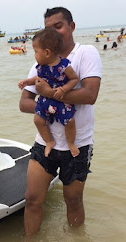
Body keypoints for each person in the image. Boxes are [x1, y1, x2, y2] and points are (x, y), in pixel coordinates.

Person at [19, 7, 101, 237]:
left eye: (59, 26)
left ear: (72, 27)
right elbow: (24, 103)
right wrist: (51, 105)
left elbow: (90, 95)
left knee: (73, 200)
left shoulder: (85, 53)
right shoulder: (40, 63)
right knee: (32, 199)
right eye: (48, 29)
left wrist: (49, 95)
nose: (54, 32)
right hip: (45, 143)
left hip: (78, 143)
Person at [18, 28, 80, 157]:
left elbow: (74, 79)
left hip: (61, 100)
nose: (34, 55)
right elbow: (38, 79)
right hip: (44, 102)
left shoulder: (64, 66)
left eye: (36, 52)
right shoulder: (41, 67)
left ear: (47, 52)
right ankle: (49, 141)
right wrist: (27, 82)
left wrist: (64, 89)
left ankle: (71, 143)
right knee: (38, 120)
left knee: (70, 122)